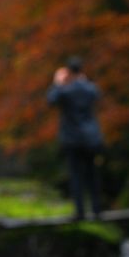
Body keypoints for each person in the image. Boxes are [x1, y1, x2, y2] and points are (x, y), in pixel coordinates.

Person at [47, 56, 105, 220]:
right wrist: (83, 81)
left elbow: (51, 99)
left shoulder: (65, 90)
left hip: (73, 139)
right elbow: (97, 94)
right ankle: (97, 210)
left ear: (69, 72)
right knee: (92, 174)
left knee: (76, 175)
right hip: (91, 138)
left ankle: (80, 212)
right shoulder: (90, 88)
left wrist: (58, 82)